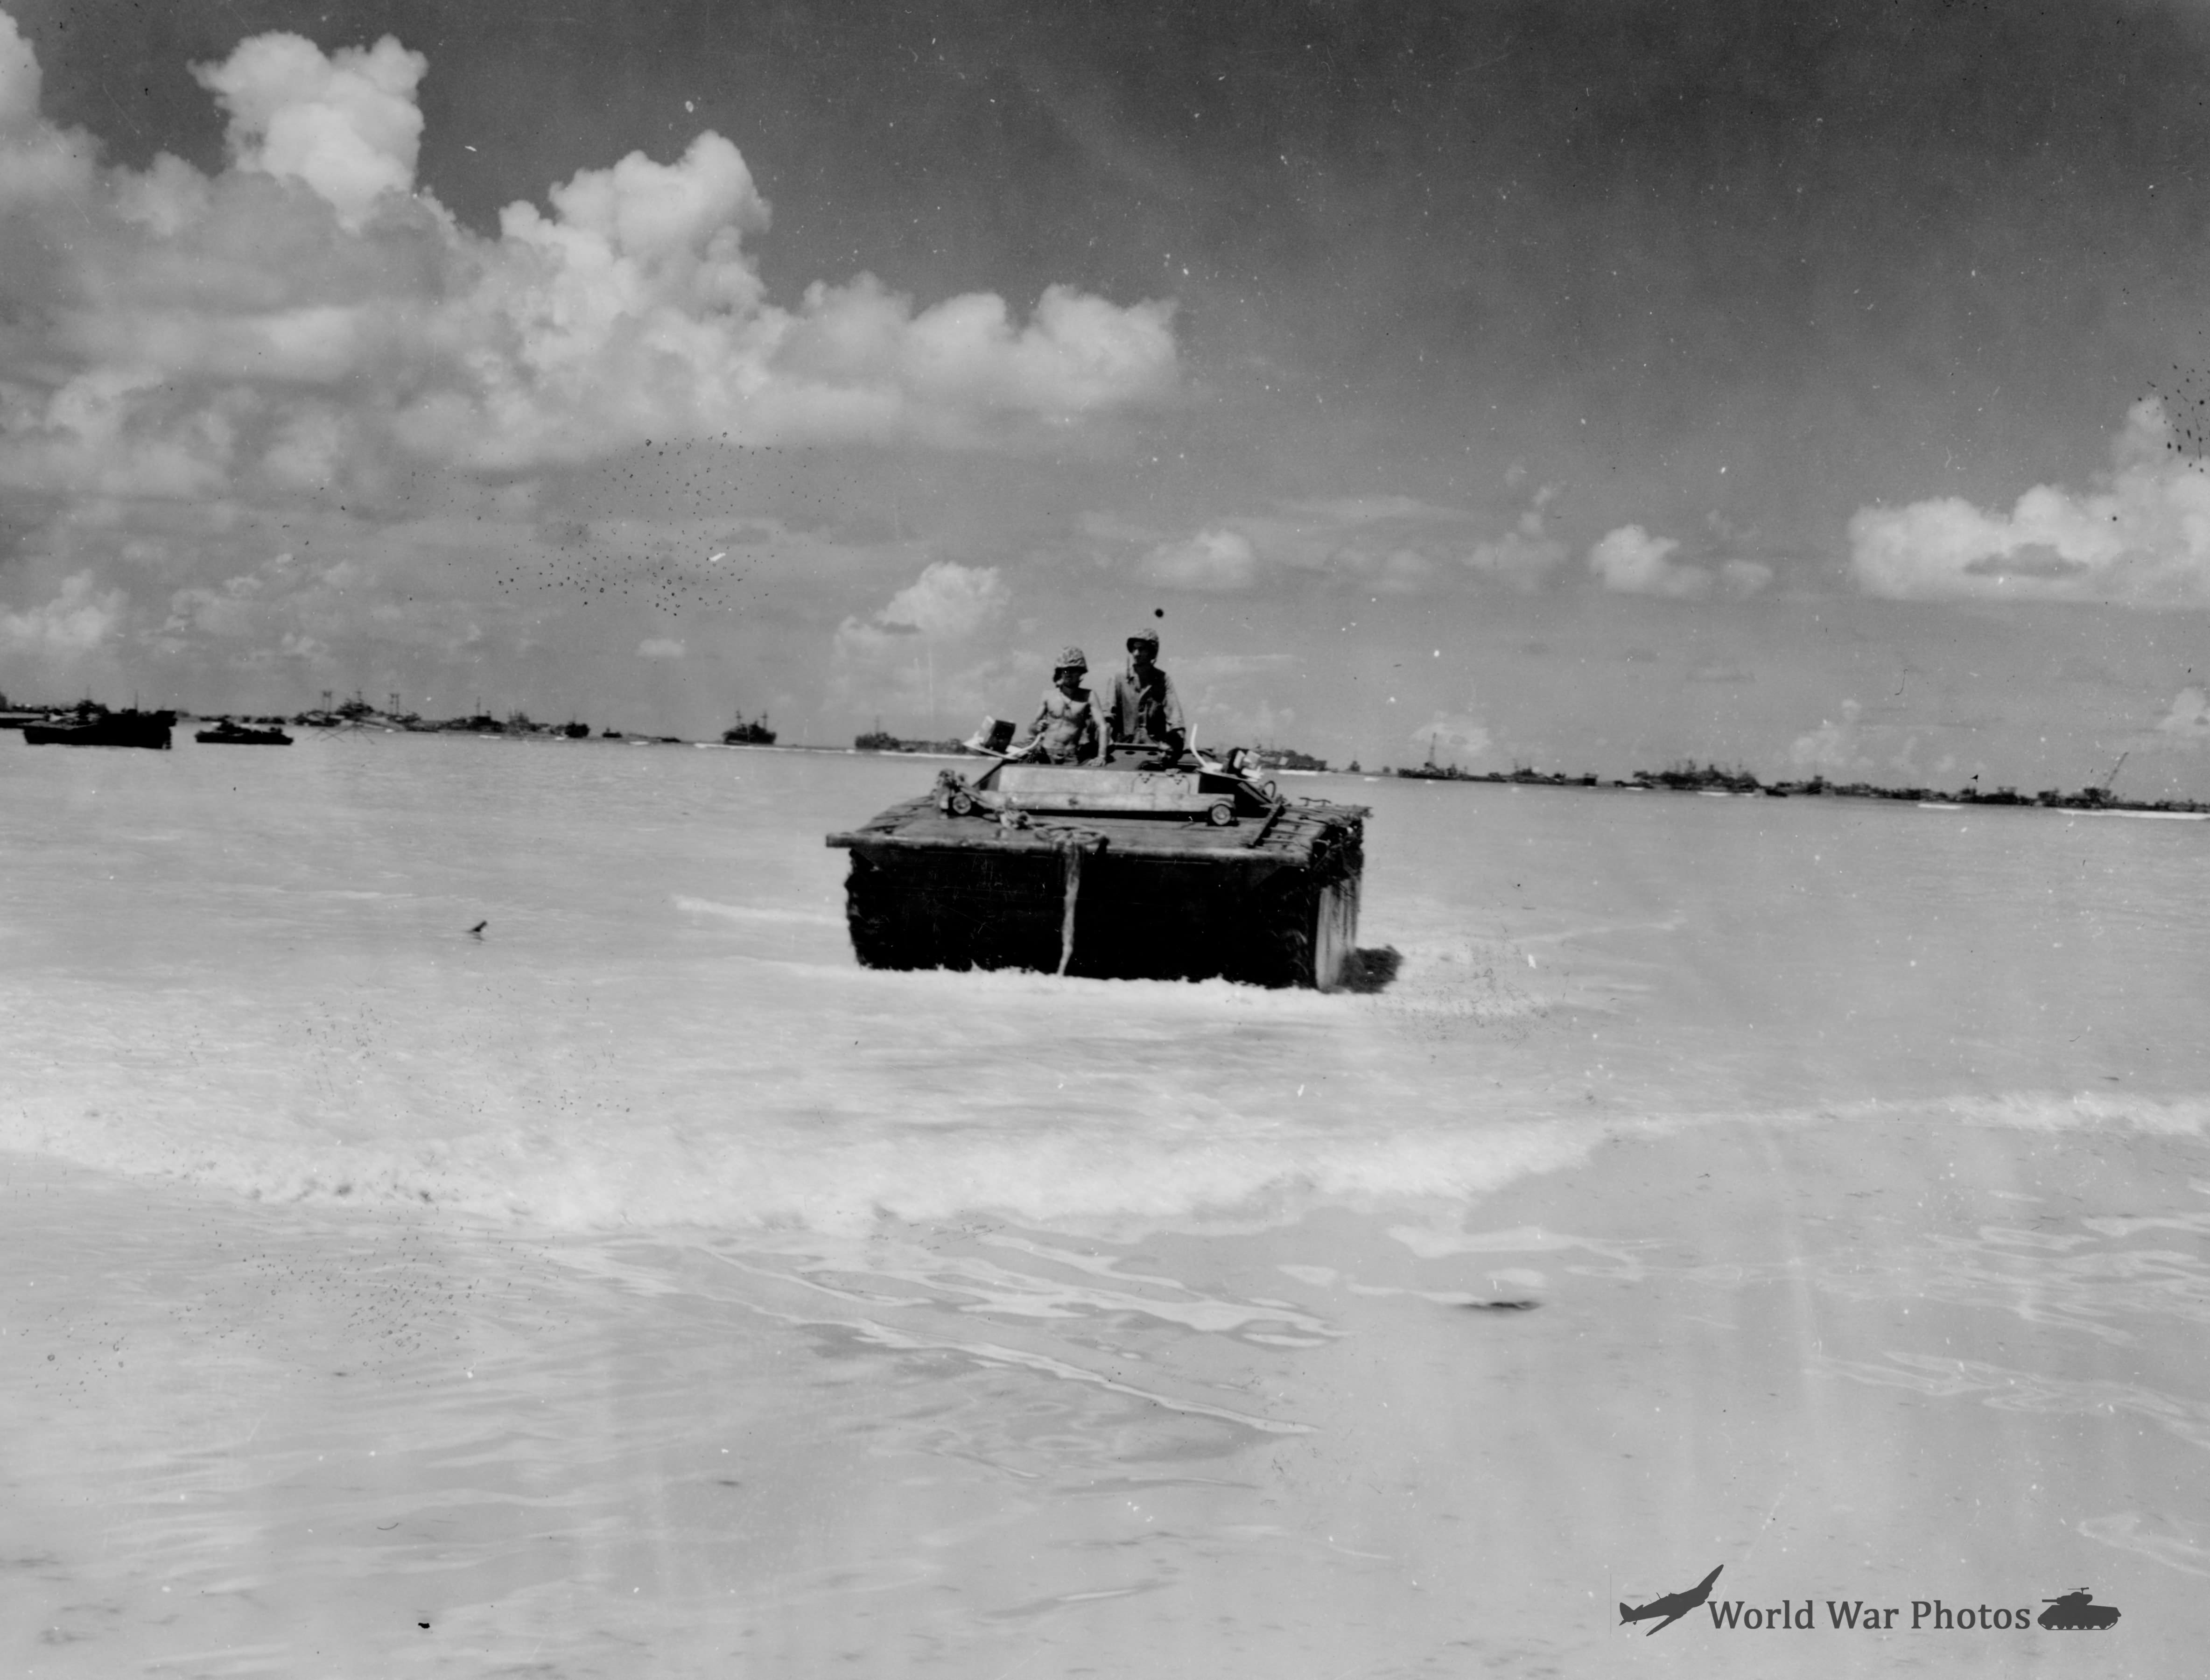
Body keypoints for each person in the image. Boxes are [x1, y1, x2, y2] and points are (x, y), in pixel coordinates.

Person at [1105, 627, 1186, 758]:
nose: (1136, 654)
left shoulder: (1163, 680)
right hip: (1122, 749)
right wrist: (1106, 739)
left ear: (1152, 652)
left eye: (1142, 649)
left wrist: (1177, 739)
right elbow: (1109, 716)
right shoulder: (1117, 679)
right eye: (1134, 649)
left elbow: (1176, 718)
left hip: (1155, 750)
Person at [1018, 647, 1107, 765]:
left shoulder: (1089, 696)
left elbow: (1103, 727)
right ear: (1060, 672)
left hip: (1071, 757)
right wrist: (1037, 727)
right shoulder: (1048, 696)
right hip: (1045, 755)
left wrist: (1101, 756)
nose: (1068, 674)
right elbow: (1031, 730)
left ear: (1081, 672)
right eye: (1065, 670)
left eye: (1073, 670)